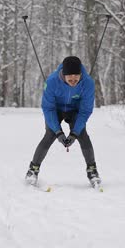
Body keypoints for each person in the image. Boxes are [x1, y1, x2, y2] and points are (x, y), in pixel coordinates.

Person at [25, 56, 101, 187]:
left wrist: (74, 133)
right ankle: (33, 170)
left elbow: (85, 111)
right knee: (50, 135)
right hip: (56, 110)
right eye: (69, 78)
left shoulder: (87, 83)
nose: (73, 80)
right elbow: (48, 108)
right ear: (63, 75)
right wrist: (58, 132)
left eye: (76, 77)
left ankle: (92, 170)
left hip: (75, 111)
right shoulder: (52, 81)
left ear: (80, 74)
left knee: (82, 135)